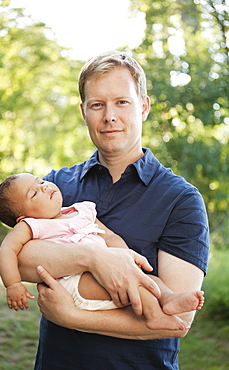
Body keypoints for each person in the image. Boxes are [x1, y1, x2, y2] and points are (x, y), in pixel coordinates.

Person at [15, 51, 209, 369]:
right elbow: (19, 258)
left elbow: (179, 319)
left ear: (143, 106)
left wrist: (72, 317)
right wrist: (95, 258)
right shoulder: (54, 187)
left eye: (122, 102)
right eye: (97, 104)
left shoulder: (181, 200)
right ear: (83, 112)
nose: (109, 116)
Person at [0, 172, 204, 332]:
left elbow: (109, 236)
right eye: (34, 193)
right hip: (75, 282)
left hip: (107, 272)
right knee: (134, 285)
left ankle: (168, 298)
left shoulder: (81, 210)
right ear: (22, 216)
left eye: (40, 181)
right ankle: (153, 315)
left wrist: (124, 256)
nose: (45, 187)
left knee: (147, 279)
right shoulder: (32, 225)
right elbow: (8, 250)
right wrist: (13, 284)